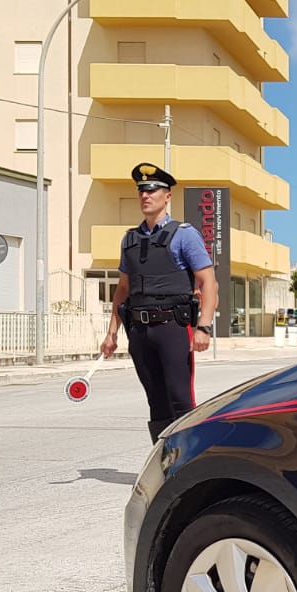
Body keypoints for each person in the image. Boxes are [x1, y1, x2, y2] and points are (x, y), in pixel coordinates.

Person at [100, 162, 219, 441]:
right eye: (141, 191)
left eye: (152, 190)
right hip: (139, 332)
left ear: (167, 196)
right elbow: (123, 289)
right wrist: (111, 333)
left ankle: (189, 459)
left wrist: (203, 327)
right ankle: (164, 460)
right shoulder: (129, 239)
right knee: (156, 402)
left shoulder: (184, 234)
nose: (145, 195)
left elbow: (208, 282)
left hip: (173, 328)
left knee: (180, 399)